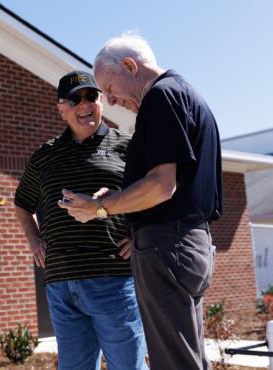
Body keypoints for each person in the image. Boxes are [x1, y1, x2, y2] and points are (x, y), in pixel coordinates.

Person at [59, 33, 222, 370]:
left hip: (167, 247)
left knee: (173, 362)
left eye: (108, 88)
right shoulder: (186, 93)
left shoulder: (160, 97)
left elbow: (162, 187)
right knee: (188, 357)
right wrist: (120, 197)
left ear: (130, 66)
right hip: (192, 243)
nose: (112, 101)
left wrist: (100, 207)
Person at [14, 70, 148, 370]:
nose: (84, 104)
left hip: (113, 279)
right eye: (74, 99)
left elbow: (154, 194)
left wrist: (142, 233)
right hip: (61, 284)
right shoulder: (45, 156)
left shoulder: (127, 147)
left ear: (101, 100)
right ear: (61, 108)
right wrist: (34, 239)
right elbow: (22, 204)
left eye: (91, 96)